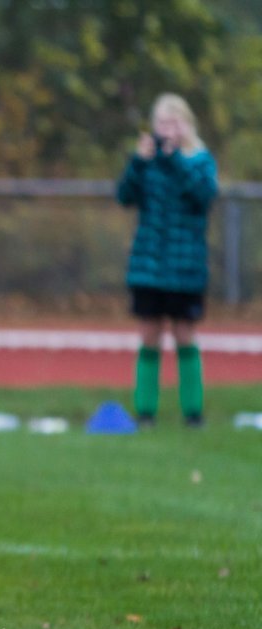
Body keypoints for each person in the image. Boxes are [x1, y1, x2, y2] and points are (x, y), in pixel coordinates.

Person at [116, 93, 218, 428]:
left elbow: (202, 196)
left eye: (173, 122)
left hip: (185, 267)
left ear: (186, 125)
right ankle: (145, 412)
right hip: (149, 265)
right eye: (161, 122)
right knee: (149, 334)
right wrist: (138, 162)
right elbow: (124, 196)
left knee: (184, 334)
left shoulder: (200, 160)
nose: (167, 129)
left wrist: (175, 160)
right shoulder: (147, 163)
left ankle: (193, 412)